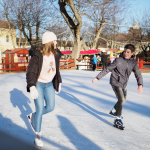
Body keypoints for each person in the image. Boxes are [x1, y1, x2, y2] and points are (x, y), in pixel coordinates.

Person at [92, 44, 143, 128]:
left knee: (124, 100)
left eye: (128, 52)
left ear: (133, 53)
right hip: (115, 82)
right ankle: (117, 119)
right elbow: (107, 69)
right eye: (125, 51)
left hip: (124, 83)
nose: (126, 53)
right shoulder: (118, 60)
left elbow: (138, 74)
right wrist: (97, 77)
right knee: (121, 99)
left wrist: (140, 84)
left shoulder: (133, 62)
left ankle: (114, 110)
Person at [26, 31, 62, 147]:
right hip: (39, 84)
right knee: (40, 109)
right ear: (49, 42)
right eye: (55, 41)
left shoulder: (55, 54)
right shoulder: (37, 55)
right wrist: (32, 86)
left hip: (49, 84)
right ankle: (38, 135)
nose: (56, 43)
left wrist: (59, 82)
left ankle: (33, 116)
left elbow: (56, 70)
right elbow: (30, 72)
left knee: (51, 107)